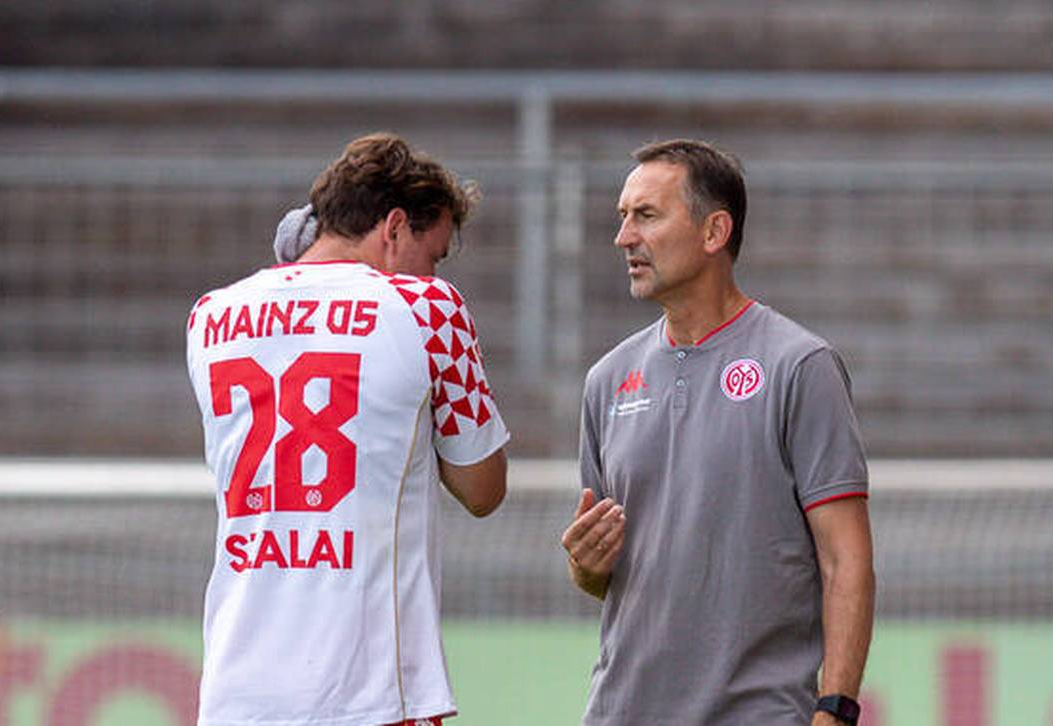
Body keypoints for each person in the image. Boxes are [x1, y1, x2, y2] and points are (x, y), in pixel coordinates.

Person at [186, 132, 510, 726]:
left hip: (238, 690)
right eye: (432, 252)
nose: (432, 270)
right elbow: (481, 489)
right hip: (369, 690)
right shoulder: (427, 307)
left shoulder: (212, 315)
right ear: (392, 229)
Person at [560, 139, 875, 726]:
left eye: (646, 216)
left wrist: (835, 709)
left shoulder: (800, 366)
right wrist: (587, 566)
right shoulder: (606, 381)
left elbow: (845, 560)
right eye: (623, 217)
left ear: (714, 232)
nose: (623, 237)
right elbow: (615, 578)